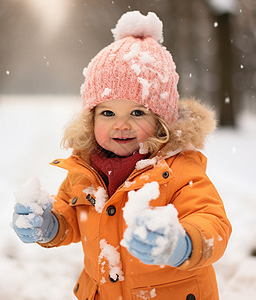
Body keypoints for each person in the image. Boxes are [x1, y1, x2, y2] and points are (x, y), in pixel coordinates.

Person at [12, 11, 231, 300]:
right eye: (107, 112)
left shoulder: (179, 170)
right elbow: (70, 215)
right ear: (90, 118)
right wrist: (49, 224)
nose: (121, 124)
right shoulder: (85, 170)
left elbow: (213, 222)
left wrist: (183, 243)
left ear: (161, 120)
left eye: (137, 112)